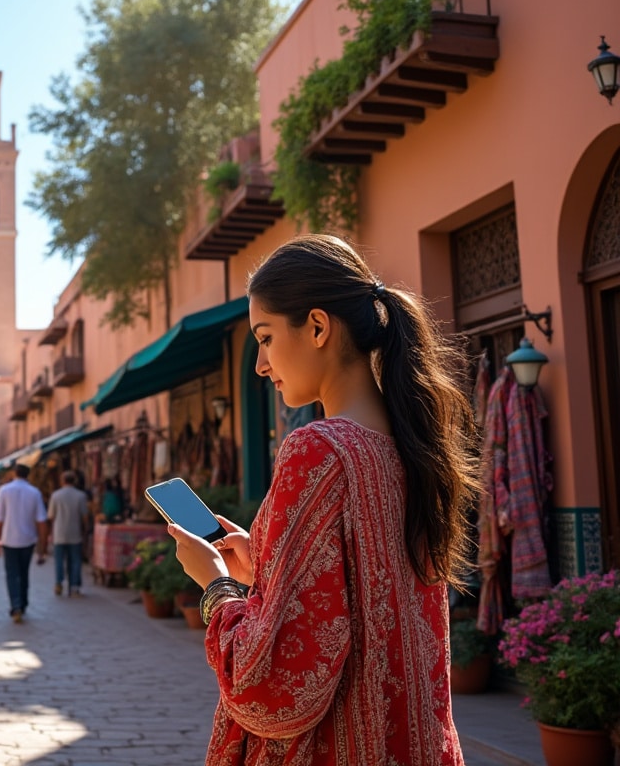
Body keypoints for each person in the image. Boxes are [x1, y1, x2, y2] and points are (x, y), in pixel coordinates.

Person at [168, 235, 478, 765]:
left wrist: (216, 584)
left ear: (316, 327)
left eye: (264, 338)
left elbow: (277, 682)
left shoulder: (318, 449)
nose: (261, 365)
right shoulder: (412, 447)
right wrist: (265, 562)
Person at [0, 463, 48, 623]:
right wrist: (42, 547)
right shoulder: (35, 492)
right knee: (24, 573)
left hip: (9, 539)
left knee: (12, 574)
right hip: (28, 539)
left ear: (14, 473)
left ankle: (15, 604)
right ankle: (22, 604)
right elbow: (41, 521)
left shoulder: (4, 491)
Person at [47, 470, 90, 597]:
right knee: (75, 560)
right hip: (75, 533)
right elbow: (85, 516)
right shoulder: (80, 496)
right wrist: (85, 530)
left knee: (59, 560)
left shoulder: (55, 495)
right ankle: (75, 587)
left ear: (62, 481)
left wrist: (51, 532)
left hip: (59, 533)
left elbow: (51, 516)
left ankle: (59, 583)